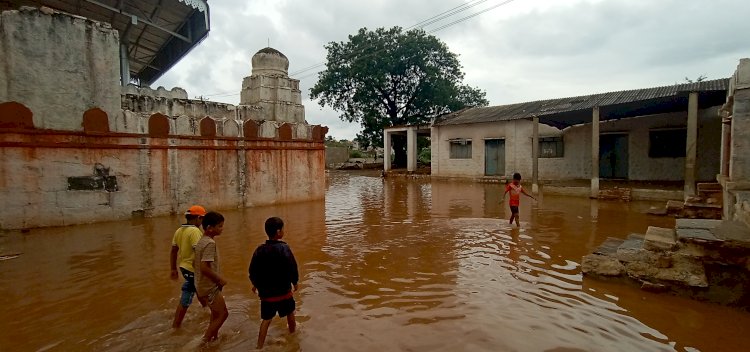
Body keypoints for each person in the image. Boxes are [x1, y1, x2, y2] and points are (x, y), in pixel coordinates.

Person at [249, 217, 299, 349]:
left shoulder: (259, 250)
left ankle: (259, 346)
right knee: (290, 313)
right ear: (278, 232)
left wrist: (255, 284)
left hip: (267, 294)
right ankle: (293, 335)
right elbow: (292, 267)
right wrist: (295, 282)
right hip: (284, 292)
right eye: (283, 229)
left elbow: (253, 270)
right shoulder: (284, 248)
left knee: (266, 320)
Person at [194, 211, 228, 343]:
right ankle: (204, 342)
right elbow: (204, 267)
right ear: (209, 228)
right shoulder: (209, 244)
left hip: (201, 285)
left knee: (215, 313)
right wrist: (219, 280)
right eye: (219, 226)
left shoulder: (201, 241)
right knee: (223, 314)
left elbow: (195, 264)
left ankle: (213, 337)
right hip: (209, 287)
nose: (222, 229)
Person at [169, 205, 206, 328]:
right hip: (193, 269)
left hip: (184, 268)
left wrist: (173, 269)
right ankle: (176, 326)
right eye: (202, 219)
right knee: (188, 294)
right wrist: (204, 271)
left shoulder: (179, 231)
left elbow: (174, 251)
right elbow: (198, 253)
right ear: (198, 218)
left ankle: (205, 310)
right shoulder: (195, 231)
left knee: (199, 289)